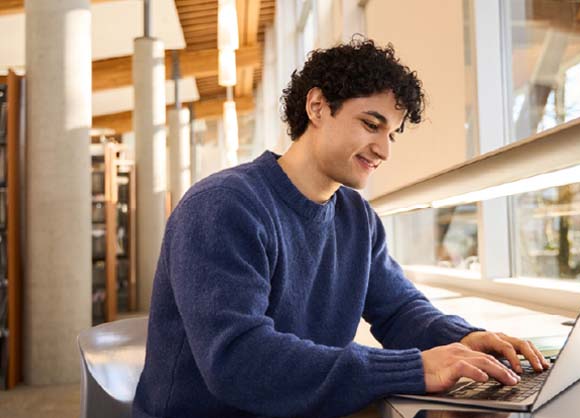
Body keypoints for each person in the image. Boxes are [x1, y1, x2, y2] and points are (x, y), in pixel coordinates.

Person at [132, 38, 549, 418]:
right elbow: (239, 361)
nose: (384, 150)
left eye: (391, 134)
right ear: (317, 107)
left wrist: (467, 340)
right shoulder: (223, 206)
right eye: (371, 124)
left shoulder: (355, 216)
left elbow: (399, 310)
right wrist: (414, 367)